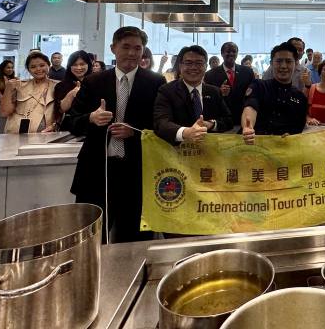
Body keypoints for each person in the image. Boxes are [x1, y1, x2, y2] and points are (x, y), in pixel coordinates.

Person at [63, 26, 166, 243]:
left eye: (137, 48)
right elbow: (70, 121)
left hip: (136, 171)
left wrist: (135, 132)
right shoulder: (94, 82)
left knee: (134, 237)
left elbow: (161, 126)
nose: (131, 53)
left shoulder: (155, 82)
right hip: (97, 170)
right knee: (91, 236)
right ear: (113, 48)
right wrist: (91, 118)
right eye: (125, 47)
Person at [154, 45, 233, 145]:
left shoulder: (214, 91)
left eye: (199, 63)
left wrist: (211, 124)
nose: (193, 67)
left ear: (205, 67)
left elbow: (228, 120)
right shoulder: (167, 91)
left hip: (210, 150)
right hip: (178, 151)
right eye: (188, 63)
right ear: (180, 66)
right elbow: (161, 123)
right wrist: (186, 132)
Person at [242, 42, 309, 144]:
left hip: (283, 149)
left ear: (295, 64)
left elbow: (297, 130)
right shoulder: (259, 86)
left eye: (288, 61)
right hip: (253, 145)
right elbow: (250, 107)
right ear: (271, 63)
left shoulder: (300, 98)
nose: (283, 66)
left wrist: (291, 137)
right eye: (279, 61)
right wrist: (248, 127)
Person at [0, 51, 58, 133]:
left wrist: (55, 125)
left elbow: (62, 112)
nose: (38, 69)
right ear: (28, 69)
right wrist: (8, 89)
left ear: (49, 65)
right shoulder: (19, 85)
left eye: (42, 65)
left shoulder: (57, 86)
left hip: (46, 135)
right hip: (17, 134)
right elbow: (5, 112)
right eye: (33, 67)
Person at [204, 41, 255, 127]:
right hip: (221, 120)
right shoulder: (210, 74)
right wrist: (219, 92)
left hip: (243, 118)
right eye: (228, 51)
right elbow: (207, 100)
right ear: (222, 53)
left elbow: (252, 95)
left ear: (237, 53)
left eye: (234, 51)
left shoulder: (247, 72)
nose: (231, 54)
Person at [54, 50, 92, 119]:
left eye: (82, 64)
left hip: (92, 122)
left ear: (88, 64)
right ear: (69, 66)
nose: (79, 68)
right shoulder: (61, 85)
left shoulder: (96, 82)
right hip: (70, 123)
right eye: (74, 65)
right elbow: (62, 110)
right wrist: (72, 93)